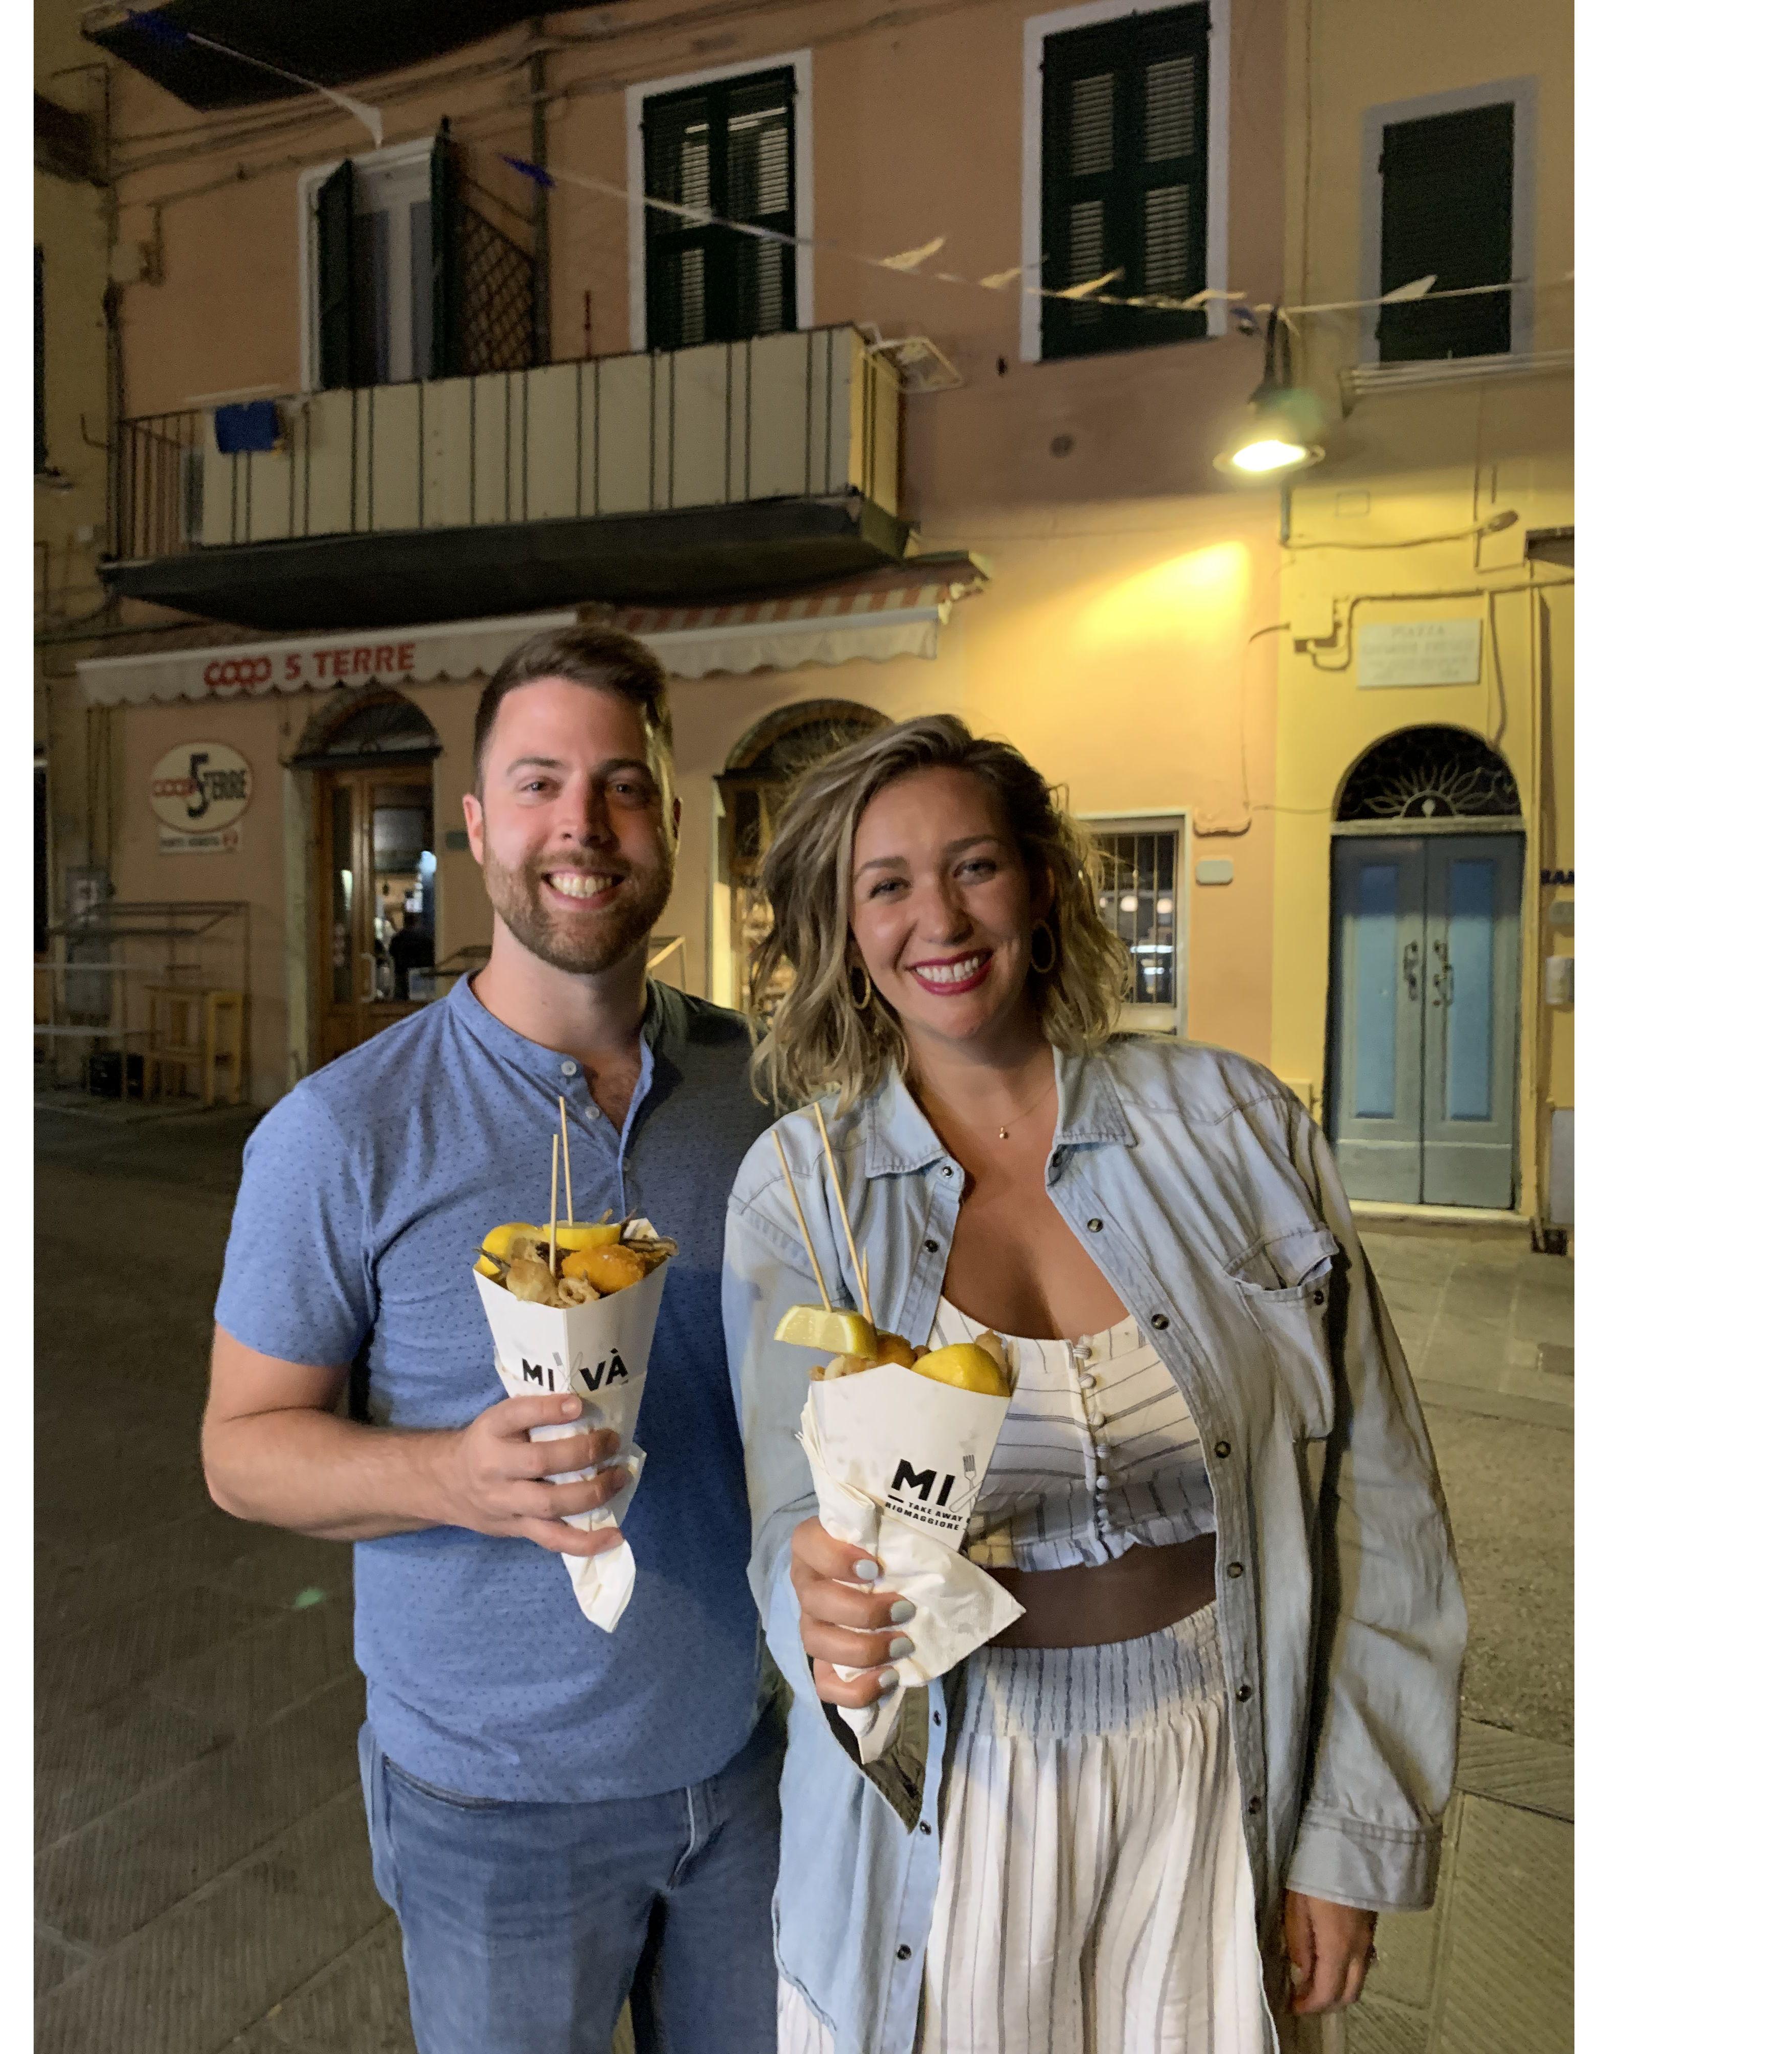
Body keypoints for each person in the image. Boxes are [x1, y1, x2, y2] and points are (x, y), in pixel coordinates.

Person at [721, 715, 1466, 2054]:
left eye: (975, 867)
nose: (936, 918)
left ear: (1044, 884)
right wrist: (813, 1604)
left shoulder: (1238, 1129)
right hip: (963, 1782)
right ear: (846, 929)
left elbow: (1386, 1499)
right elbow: (786, 1522)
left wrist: (1350, 1837)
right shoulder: (802, 1193)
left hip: (1216, 1759)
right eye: (885, 885)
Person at [204, 626, 781, 2054]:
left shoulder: (761, 1099)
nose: (581, 826)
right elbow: (240, 1454)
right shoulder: (345, 1131)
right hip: (494, 1813)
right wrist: (450, 1479)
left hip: (747, 1765)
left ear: (671, 822)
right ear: (476, 828)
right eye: (537, 785)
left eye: (621, 787)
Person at [388, 905, 436, 999]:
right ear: (416, 922)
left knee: (402, 999)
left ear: (404, 922)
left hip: (402, 973)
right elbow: (431, 955)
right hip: (421, 973)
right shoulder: (425, 938)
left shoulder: (398, 938)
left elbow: (392, 954)